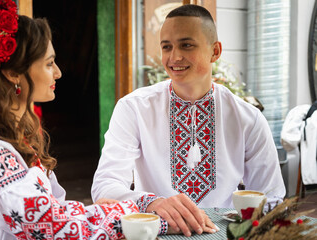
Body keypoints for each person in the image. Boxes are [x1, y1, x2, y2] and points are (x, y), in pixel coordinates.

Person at [0, 0, 176, 239]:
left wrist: (106, 212)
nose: (58, 72)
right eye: (49, 64)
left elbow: (56, 213)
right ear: (13, 73)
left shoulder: (18, 139)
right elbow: (50, 227)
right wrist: (139, 216)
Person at [91, 4, 286, 237]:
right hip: (157, 231)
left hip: (223, 233)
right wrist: (153, 203)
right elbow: (105, 186)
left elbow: (272, 198)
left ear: (215, 51)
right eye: (166, 47)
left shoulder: (247, 118)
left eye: (186, 45)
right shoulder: (133, 108)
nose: (174, 57)